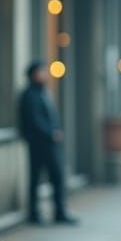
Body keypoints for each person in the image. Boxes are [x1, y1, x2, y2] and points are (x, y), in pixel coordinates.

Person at [17, 60, 77, 225]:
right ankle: (36, 214)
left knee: (54, 177)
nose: (45, 74)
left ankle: (58, 212)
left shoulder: (42, 92)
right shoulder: (29, 94)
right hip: (39, 144)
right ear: (33, 74)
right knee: (40, 178)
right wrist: (52, 133)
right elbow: (34, 121)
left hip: (48, 143)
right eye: (42, 71)